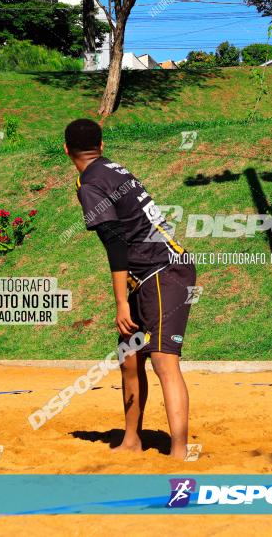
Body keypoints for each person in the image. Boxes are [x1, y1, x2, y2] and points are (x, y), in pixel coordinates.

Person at [64, 118, 197, 459]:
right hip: (146, 273)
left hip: (162, 271)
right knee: (129, 358)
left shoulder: (90, 182)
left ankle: (180, 451)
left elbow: (115, 242)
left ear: (66, 151)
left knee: (164, 361)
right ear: (102, 146)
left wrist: (121, 301)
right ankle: (132, 439)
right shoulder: (114, 169)